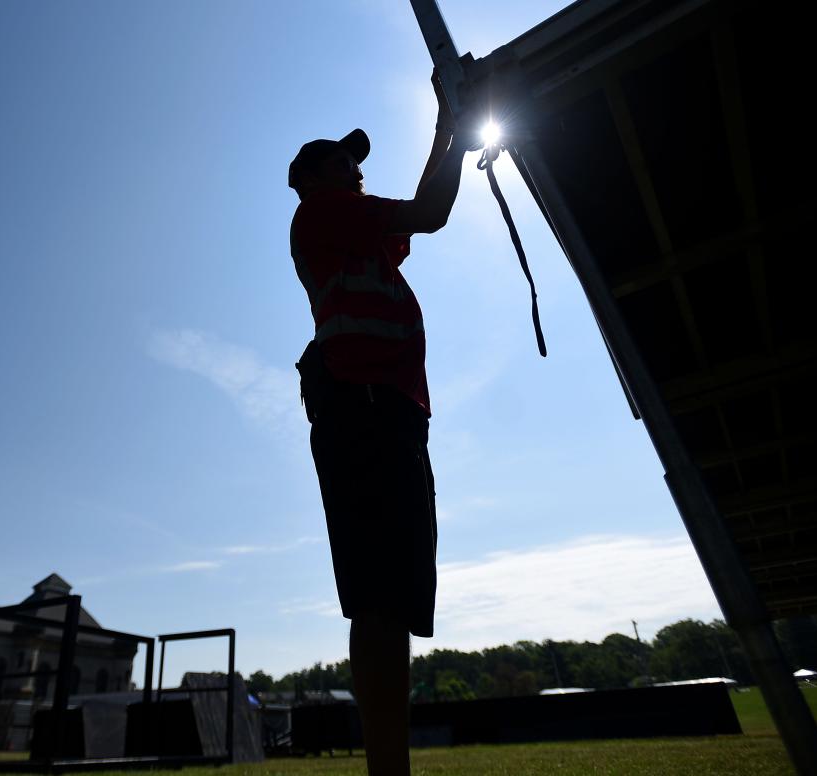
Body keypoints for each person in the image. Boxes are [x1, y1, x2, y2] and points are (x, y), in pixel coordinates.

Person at [287, 73, 481, 776]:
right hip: (363, 410)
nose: (358, 169)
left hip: (387, 413)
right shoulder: (324, 215)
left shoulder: (360, 234)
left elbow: (420, 216)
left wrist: (445, 124)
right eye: (345, 160)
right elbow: (431, 211)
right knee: (376, 599)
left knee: (391, 600)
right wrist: (461, 125)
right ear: (310, 179)